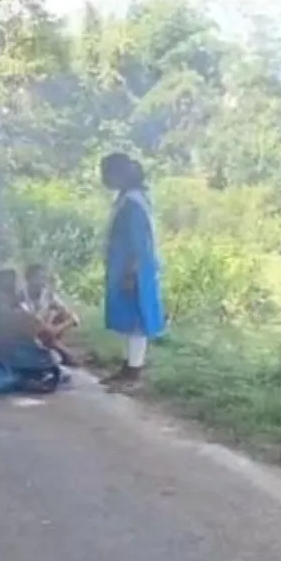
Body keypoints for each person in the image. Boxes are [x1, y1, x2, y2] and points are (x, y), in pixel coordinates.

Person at [101, 153, 165, 388]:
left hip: (133, 269)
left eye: (106, 173)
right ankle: (129, 365)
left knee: (137, 318)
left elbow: (139, 242)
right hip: (127, 267)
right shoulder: (127, 199)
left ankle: (134, 370)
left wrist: (130, 273)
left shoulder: (133, 203)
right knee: (130, 318)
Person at [24, 263, 80, 366]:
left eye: (43, 278)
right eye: (38, 278)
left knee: (62, 315)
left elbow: (73, 317)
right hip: (29, 330)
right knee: (42, 326)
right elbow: (31, 319)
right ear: (29, 279)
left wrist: (56, 328)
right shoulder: (21, 296)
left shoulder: (47, 294)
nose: (41, 281)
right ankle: (62, 351)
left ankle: (55, 346)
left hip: (46, 330)